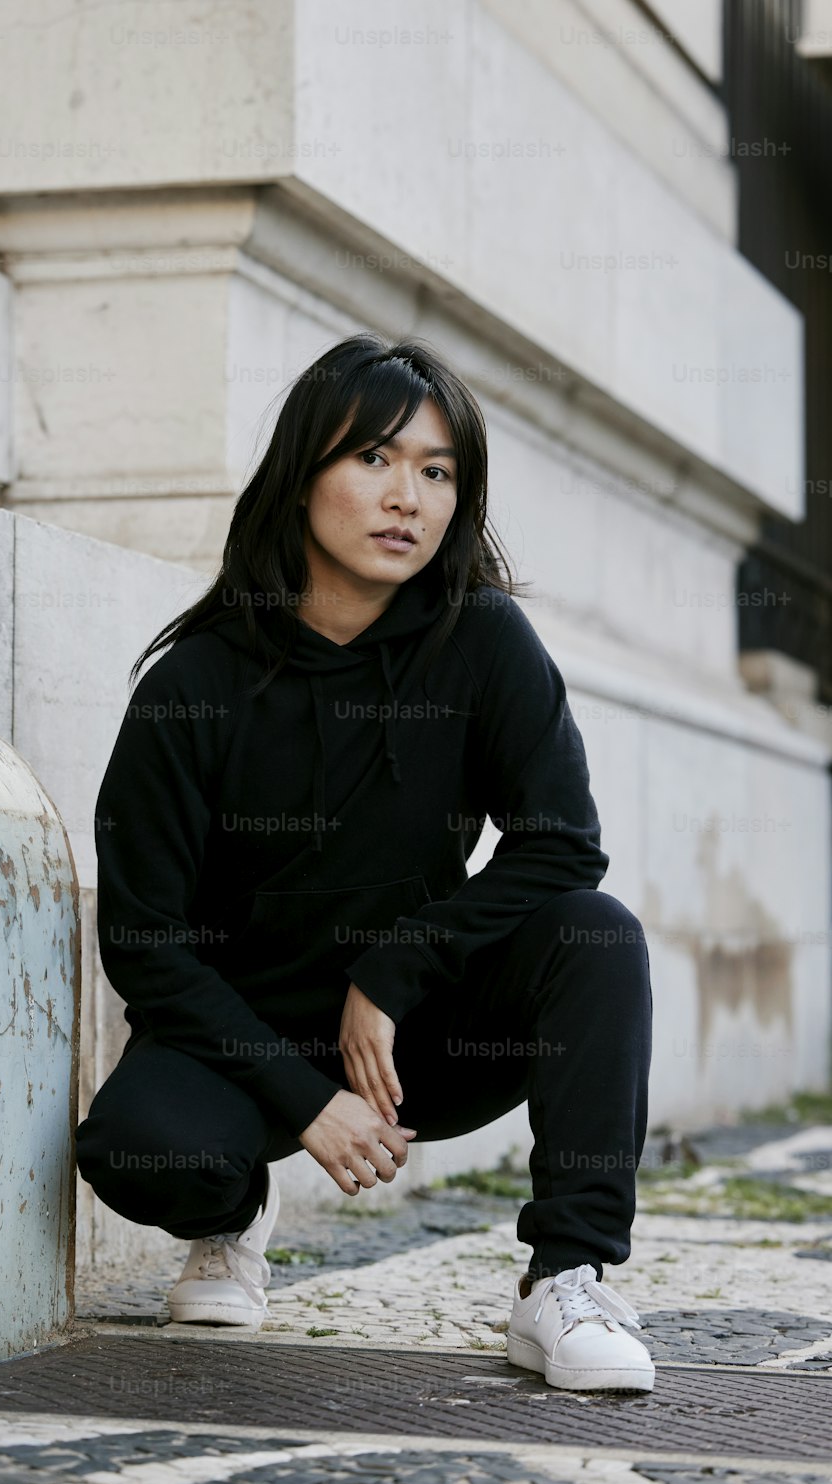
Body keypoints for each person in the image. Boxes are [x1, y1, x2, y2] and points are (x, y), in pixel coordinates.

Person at [75, 332, 655, 1393]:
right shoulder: (193, 683)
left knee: (595, 931)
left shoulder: (481, 641)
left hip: (413, 1034)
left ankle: (566, 1274)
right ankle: (235, 1210)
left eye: (438, 472)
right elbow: (145, 942)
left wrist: (396, 968)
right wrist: (303, 1099)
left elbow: (562, 841)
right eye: (375, 460)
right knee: (134, 1143)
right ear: (301, 479)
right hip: (241, 1031)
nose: (409, 499)